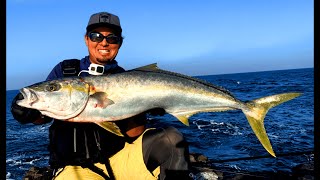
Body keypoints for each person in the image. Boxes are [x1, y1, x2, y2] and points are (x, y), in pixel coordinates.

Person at [11, 11, 192, 180]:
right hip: (74, 169)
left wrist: (147, 106)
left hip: (121, 160)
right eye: (96, 36)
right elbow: (44, 115)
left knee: (171, 139)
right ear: (86, 39)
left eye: (111, 38)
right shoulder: (65, 71)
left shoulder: (129, 79)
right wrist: (28, 113)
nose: (104, 43)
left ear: (119, 43)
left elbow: (134, 133)